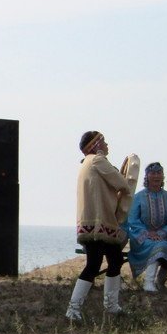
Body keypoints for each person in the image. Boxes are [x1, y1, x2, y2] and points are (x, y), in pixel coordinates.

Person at [65, 130, 132, 321]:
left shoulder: (87, 163)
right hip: (99, 223)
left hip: (95, 222)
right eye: (104, 142)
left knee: (115, 259)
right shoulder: (97, 160)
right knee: (94, 264)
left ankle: (111, 306)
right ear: (96, 145)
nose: (108, 145)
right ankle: (73, 309)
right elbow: (122, 184)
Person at [124, 162, 167, 292]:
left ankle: (160, 281)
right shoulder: (138, 197)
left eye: (159, 173)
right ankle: (148, 283)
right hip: (141, 237)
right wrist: (148, 233)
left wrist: (161, 233)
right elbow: (133, 220)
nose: (156, 176)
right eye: (153, 173)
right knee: (157, 247)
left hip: (163, 237)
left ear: (163, 176)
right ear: (147, 176)